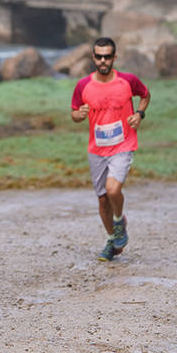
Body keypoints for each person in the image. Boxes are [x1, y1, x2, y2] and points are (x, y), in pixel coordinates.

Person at [70, 37, 151, 261]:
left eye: (107, 56)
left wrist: (139, 114)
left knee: (113, 190)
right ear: (93, 57)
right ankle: (111, 240)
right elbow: (74, 113)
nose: (103, 60)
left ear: (114, 57)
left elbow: (145, 95)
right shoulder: (83, 85)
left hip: (123, 145)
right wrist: (80, 115)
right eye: (99, 56)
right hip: (97, 149)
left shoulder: (128, 81)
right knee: (103, 199)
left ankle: (118, 221)